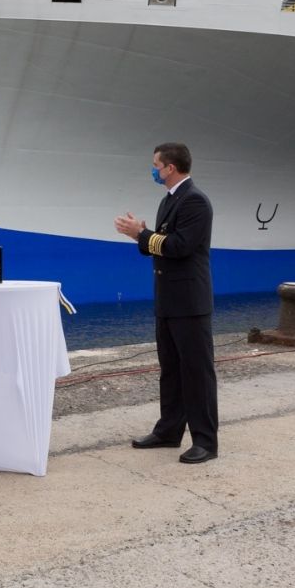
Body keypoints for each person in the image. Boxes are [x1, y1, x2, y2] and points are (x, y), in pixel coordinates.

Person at [113, 142, 219, 464]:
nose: (154, 170)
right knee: (171, 370)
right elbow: (161, 246)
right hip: (169, 300)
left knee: (197, 373)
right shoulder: (169, 201)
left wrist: (141, 234)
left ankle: (206, 441)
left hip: (189, 302)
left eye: (156, 165)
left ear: (170, 167)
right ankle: (169, 431)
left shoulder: (195, 201)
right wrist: (141, 236)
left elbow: (181, 246)